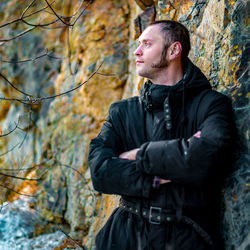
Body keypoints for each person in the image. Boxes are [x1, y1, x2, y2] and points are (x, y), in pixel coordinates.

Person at [88, 20, 234, 250]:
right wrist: (159, 174)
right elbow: (100, 171)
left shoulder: (211, 105)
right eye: (138, 44)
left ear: (174, 50)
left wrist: (140, 155)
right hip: (123, 238)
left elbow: (207, 155)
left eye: (147, 44)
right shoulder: (122, 112)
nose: (137, 51)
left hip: (187, 238)